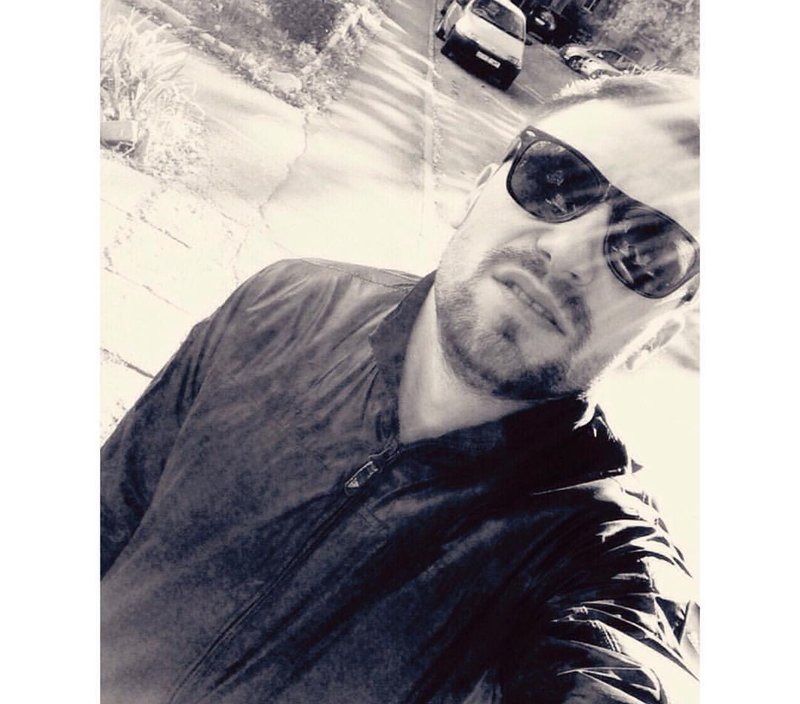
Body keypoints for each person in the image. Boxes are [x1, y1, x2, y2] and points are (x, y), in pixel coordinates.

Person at [101, 72, 700, 704]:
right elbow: (109, 511)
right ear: (477, 189)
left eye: (649, 252)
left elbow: (628, 665)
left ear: (660, 334)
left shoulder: (599, 559)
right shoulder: (280, 303)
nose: (569, 250)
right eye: (559, 180)